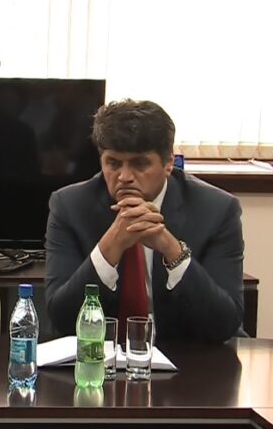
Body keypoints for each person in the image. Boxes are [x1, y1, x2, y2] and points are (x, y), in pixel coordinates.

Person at [44, 99, 244, 343]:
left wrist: (171, 248)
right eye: (113, 163)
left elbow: (224, 323)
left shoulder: (216, 209)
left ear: (168, 163)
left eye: (139, 164)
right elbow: (62, 319)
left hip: (184, 353)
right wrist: (110, 246)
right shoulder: (69, 206)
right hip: (101, 354)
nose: (124, 177)